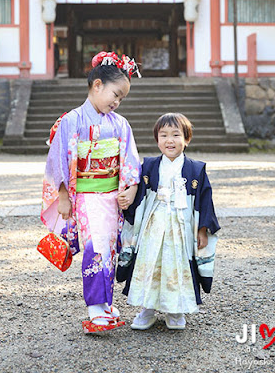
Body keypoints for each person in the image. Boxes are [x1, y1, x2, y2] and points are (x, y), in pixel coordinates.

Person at [41, 51, 141, 333]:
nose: (117, 101)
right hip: (85, 196)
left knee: (109, 249)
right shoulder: (71, 121)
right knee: (96, 248)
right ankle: (96, 311)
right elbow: (58, 161)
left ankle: (105, 303)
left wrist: (131, 190)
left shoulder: (120, 124)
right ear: (97, 85)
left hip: (112, 197)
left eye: (121, 98)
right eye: (115, 94)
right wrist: (63, 197)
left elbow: (131, 162)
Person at [117, 112, 220, 330]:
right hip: (153, 224)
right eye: (163, 135)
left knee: (177, 265)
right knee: (149, 262)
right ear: (157, 140)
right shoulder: (149, 166)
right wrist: (127, 198)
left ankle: (175, 310)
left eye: (175, 135)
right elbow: (136, 188)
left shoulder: (196, 169)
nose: (169, 140)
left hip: (181, 225)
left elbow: (205, 199)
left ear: (187, 139)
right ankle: (147, 309)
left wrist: (202, 229)